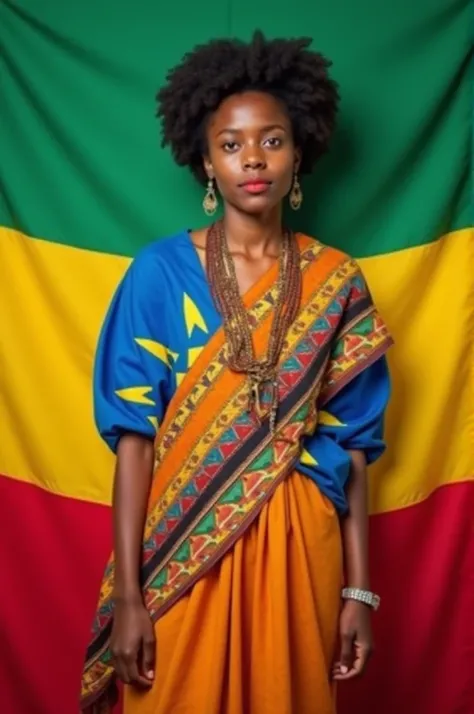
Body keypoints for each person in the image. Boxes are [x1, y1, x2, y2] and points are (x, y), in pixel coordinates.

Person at [81, 31, 393, 714]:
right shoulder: (158, 274)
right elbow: (134, 441)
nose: (253, 158)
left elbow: (357, 450)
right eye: (231, 144)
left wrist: (358, 593)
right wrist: (131, 597)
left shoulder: (335, 281)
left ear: (300, 150)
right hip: (180, 550)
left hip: (299, 547)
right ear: (205, 160)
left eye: (272, 140)